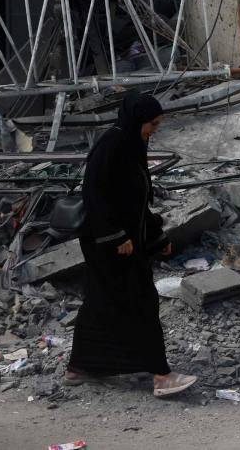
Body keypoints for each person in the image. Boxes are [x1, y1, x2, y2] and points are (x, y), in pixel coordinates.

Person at [65, 91, 196, 397]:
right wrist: (116, 236)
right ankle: (161, 375)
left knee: (103, 303)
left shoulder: (131, 146)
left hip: (123, 243)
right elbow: (94, 194)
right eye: (152, 123)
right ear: (137, 119)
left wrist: (156, 237)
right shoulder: (112, 145)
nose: (154, 129)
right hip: (108, 245)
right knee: (141, 303)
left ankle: (81, 366)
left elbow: (135, 203)